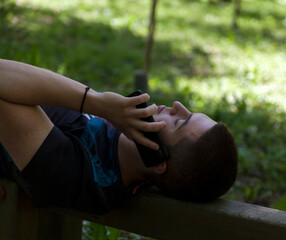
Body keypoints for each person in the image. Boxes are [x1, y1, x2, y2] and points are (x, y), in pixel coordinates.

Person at [0, 59, 238, 214]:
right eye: (190, 111)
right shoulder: (122, 123)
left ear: (158, 162)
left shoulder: (76, 174)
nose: (177, 105)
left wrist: (93, 101)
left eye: (179, 122)